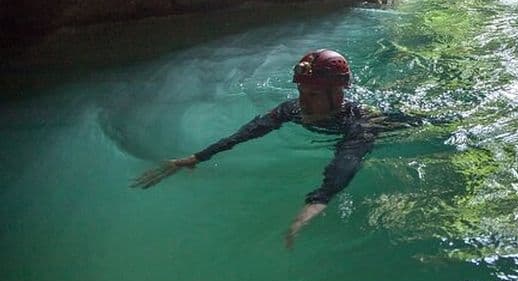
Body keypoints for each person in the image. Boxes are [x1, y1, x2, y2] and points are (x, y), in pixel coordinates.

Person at [131, 49, 417, 248]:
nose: (303, 102)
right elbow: (249, 132)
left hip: (400, 124)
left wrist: (317, 202)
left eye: (313, 94)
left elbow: (346, 162)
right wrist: (198, 157)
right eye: (301, 92)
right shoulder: (293, 109)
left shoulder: (360, 123)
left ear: (338, 93)